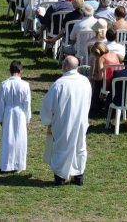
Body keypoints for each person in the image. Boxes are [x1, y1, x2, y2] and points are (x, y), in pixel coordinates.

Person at [40, 55, 92, 186]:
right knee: (79, 146)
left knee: (61, 147)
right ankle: (78, 174)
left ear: (65, 67)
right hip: (80, 120)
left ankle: (60, 176)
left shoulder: (59, 84)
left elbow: (48, 105)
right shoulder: (85, 81)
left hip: (63, 121)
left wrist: (48, 120)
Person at [0, 60, 31, 173]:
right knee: (20, 138)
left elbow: (0, 102)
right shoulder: (25, 85)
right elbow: (27, 103)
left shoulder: (5, 84)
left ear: (10, 71)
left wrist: (0, 117)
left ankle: (7, 163)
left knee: (8, 138)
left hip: (8, 112)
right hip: (20, 113)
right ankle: (18, 164)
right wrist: (27, 118)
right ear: (21, 71)